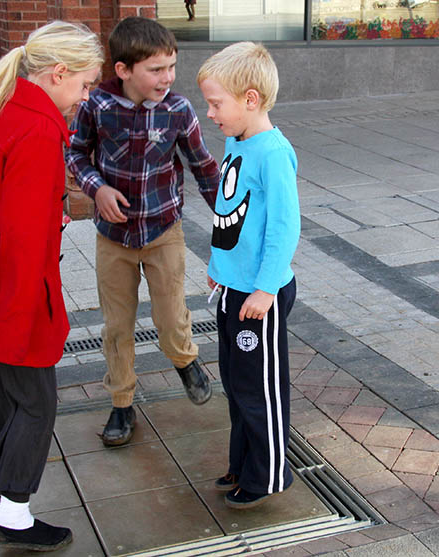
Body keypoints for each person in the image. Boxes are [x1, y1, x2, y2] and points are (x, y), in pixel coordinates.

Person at [0, 21, 103, 551]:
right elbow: (28, 241)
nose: (85, 98)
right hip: (18, 292)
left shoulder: (5, 110)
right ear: (58, 74)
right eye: (83, 85)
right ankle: (13, 516)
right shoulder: (38, 130)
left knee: (3, 384)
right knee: (36, 402)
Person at [66, 16, 220, 447]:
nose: (167, 77)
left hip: (163, 232)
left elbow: (203, 167)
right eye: (156, 69)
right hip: (112, 239)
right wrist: (97, 189)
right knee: (118, 326)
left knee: (171, 316)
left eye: (171, 66)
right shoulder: (97, 105)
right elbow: (76, 154)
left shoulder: (179, 109)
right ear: (124, 70)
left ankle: (185, 360)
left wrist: (229, 223)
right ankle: (121, 403)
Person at [197, 42, 300, 509]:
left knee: (261, 389)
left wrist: (265, 288)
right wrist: (220, 270)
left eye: (217, 104)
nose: (211, 114)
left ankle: (268, 473)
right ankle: (243, 463)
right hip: (234, 290)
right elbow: (231, 216)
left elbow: (283, 227)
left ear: (251, 99)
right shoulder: (238, 141)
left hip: (261, 295)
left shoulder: (273, 153)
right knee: (238, 386)